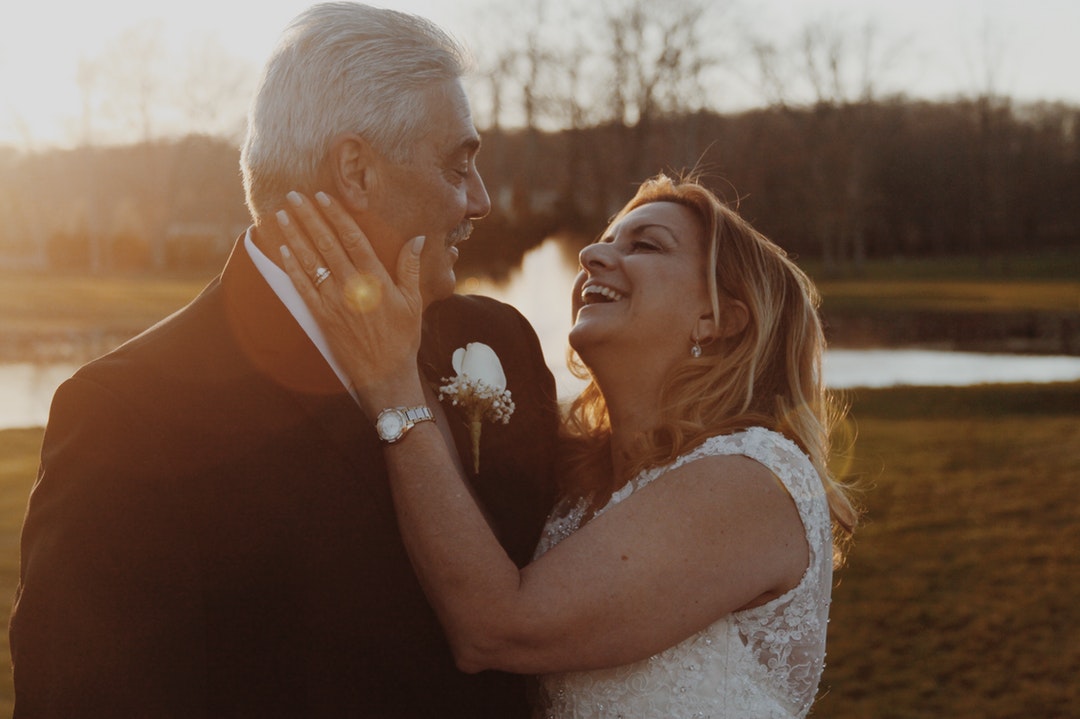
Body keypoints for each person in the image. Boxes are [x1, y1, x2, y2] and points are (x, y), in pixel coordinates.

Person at [9, 4, 558, 717]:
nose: (479, 201)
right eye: (459, 166)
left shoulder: (500, 344)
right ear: (356, 171)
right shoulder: (131, 414)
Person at [274, 172, 859, 718]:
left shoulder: (750, 478)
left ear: (717, 319)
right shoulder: (574, 490)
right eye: (605, 240)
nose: (591, 256)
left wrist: (390, 380)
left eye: (646, 246)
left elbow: (497, 627)